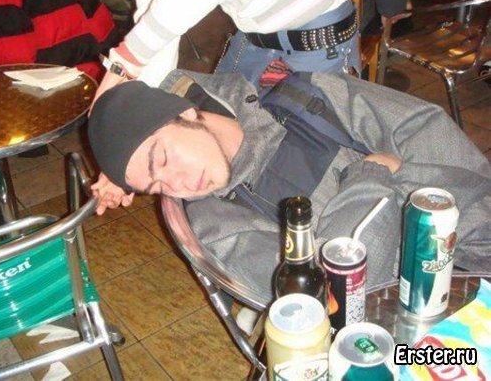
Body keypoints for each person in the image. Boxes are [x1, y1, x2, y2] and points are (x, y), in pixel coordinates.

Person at [88, 68, 491, 305]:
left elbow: (432, 137)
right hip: (397, 329)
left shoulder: (310, 98)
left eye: (162, 159)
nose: (176, 183)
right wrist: (373, 174)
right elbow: (337, 292)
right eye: (156, 185)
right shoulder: (214, 221)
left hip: (472, 249)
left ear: (187, 113)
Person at [96, 0, 360, 95]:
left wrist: (127, 60)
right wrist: (146, 102)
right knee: (221, 119)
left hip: (317, 30)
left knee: (308, 148)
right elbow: (154, 14)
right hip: (255, 35)